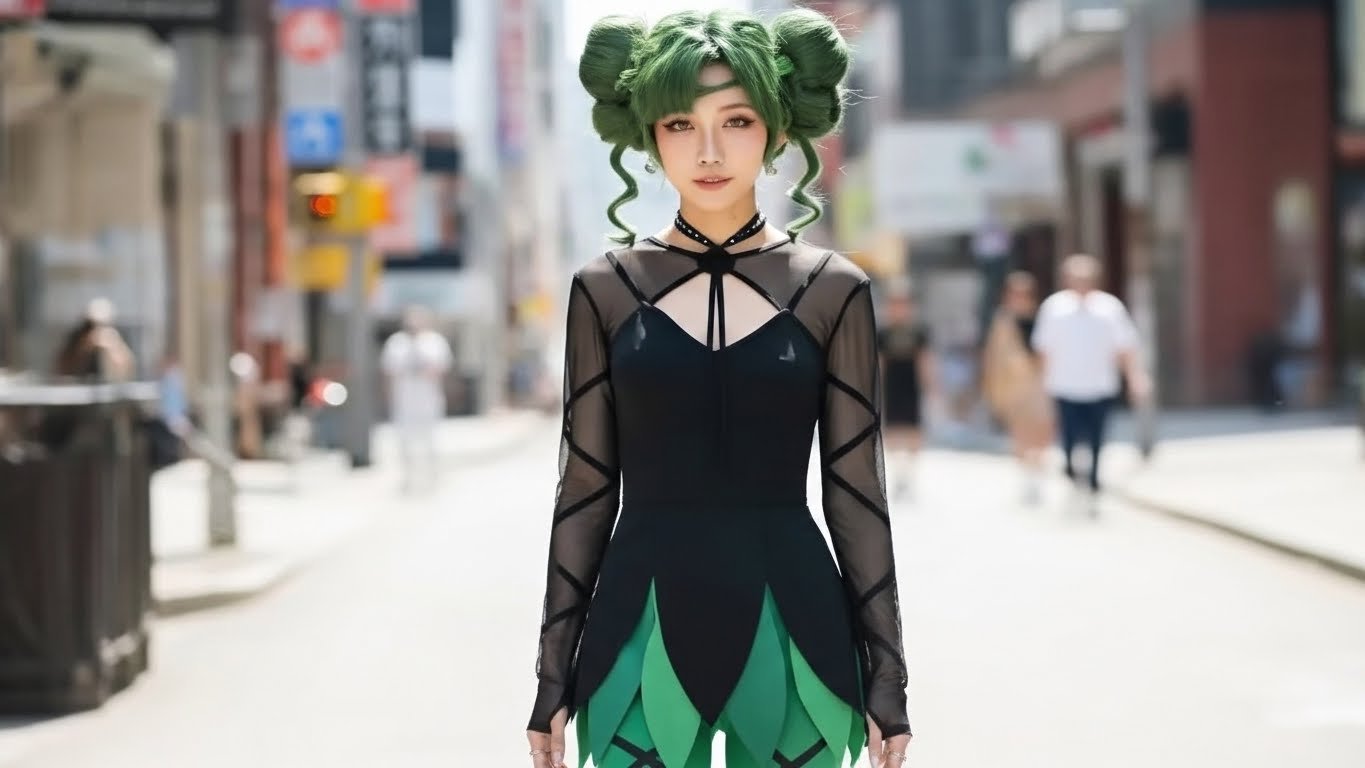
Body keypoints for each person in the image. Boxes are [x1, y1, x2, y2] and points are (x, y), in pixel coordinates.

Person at [526, 10, 911, 768]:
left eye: (734, 120)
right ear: (647, 136)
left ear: (773, 127)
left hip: (793, 627)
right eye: (679, 123)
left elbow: (855, 490)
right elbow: (584, 488)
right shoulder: (603, 289)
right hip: (639, 630)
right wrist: (551, 675)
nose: (707, 151)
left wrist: (889, 680)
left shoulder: (834, 289)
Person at [1031, 255, 1150, 516]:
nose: (1080, 283)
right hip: (1065, 385)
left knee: (1097, 437)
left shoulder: (1109, 308)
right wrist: (1041, 383)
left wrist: (1134, 377)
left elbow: (1125, 347)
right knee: (1070, 436)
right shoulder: (1054, 308)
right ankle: (1073, 474)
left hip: (1099, 384)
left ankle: (1094, 483)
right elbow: (1044, 350)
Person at [981, 272, 1054, 505]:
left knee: (1042, 432)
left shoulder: (1044, 317)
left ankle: (1038, 474)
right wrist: (991, 386)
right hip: (1014, 386)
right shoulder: (1002, 321)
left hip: (1041, 383)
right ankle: (1027, 478)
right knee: (1021, 433)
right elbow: (993, 357)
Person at [380, 306, 452, 494]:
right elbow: (389, 373)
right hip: (404, 400)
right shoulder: (396, 343)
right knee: (404, 441)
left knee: (431, 439)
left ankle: (433, 475)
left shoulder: (435, 342)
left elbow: (441, 369)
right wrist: (388, 397)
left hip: (428, 400)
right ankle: (408, 477)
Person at [877, 290, 934, 501]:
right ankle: (898, 475)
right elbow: (879, 362)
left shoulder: (919, 332)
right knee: (892, 431)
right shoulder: (883, 332)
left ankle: (909, 475)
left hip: (911, 386)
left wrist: (931, 387)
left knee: (913, 431)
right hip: (892, 386)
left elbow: (925, 361)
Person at [53, 298, 134, 381]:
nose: (96, 331)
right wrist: (85, 347)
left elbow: (126, 371)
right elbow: (63, 370)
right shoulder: (75, 342)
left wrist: (113, 348)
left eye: (102, 325)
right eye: (91, 326)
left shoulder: (115, 341)